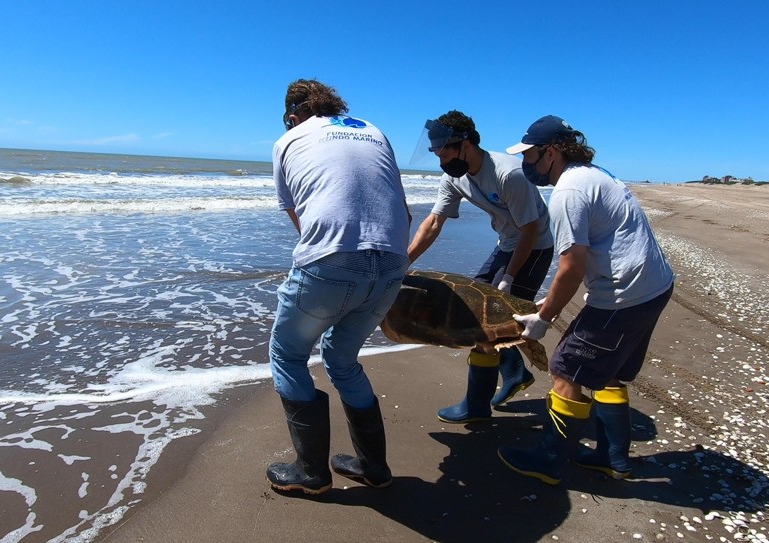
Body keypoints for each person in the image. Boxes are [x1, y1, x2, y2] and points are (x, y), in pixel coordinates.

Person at [497, 115, 675, 485]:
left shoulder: (568, 192)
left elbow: (571, 267)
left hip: (624, 294)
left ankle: (549, 460)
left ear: (552, 152)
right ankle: (612, 458)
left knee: (565, 368)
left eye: (530, 156)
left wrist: (544, 316)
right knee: (607, 372)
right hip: (654, 285)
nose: (526, 164)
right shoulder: (595, 174)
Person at [265, 79, 411, 495]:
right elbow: (401, 210)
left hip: (334, 259)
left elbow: (299, 216)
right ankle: (373, 467)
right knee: (342, 359)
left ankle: (311, 471)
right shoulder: (373, 130)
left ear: (293, 116)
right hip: (393, 257)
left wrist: (330, 262)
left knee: (288, 353)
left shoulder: (289, 138)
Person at [407, 110, 555, 424]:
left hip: (536, 246)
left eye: (444, 151)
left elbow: (529, 230)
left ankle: (477, 404)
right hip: (506, 244)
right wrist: (402, 262)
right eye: (435, 152)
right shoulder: (453, 177)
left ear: (466, 144)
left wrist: (510, 275)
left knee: (488, 324)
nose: (440, 159)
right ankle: (515, 373)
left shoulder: (507, 173)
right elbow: (433, 222)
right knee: (474, 314)